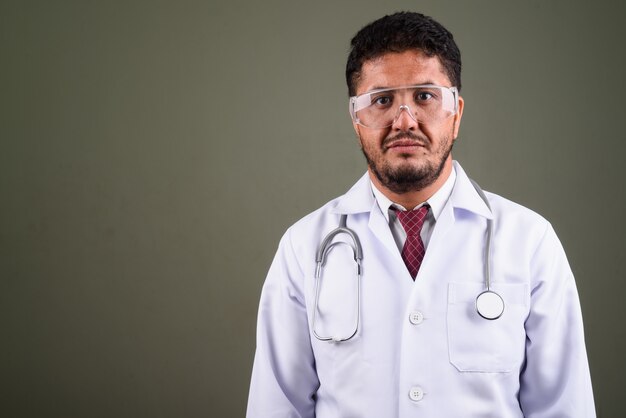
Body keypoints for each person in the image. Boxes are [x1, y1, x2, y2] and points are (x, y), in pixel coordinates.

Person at [246, 11, 595, 418]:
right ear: (356, 120)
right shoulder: (303, 248)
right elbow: (276, 407)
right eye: (382, 100)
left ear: (457, 113)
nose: (404, 120)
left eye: (425, 96)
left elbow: (564, 408)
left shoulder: (531, 242)